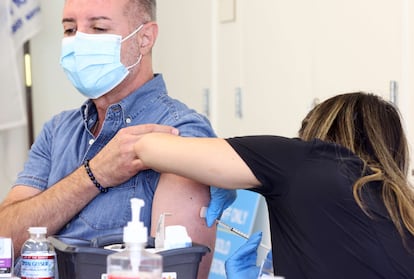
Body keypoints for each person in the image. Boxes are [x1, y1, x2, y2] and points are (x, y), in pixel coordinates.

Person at [0, 1, 235, 278]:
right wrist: (94, 174)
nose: (79, 42)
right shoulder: (57, 131)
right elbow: (6, 237)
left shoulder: (179, 133)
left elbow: (179, 271)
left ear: (145, 38)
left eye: (98, 28)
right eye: (70, 29)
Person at [133, 92, 414, 278]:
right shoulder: (402, 209)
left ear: (316, 133)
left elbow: (148, 147)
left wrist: (218, 176)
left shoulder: (305, 159)